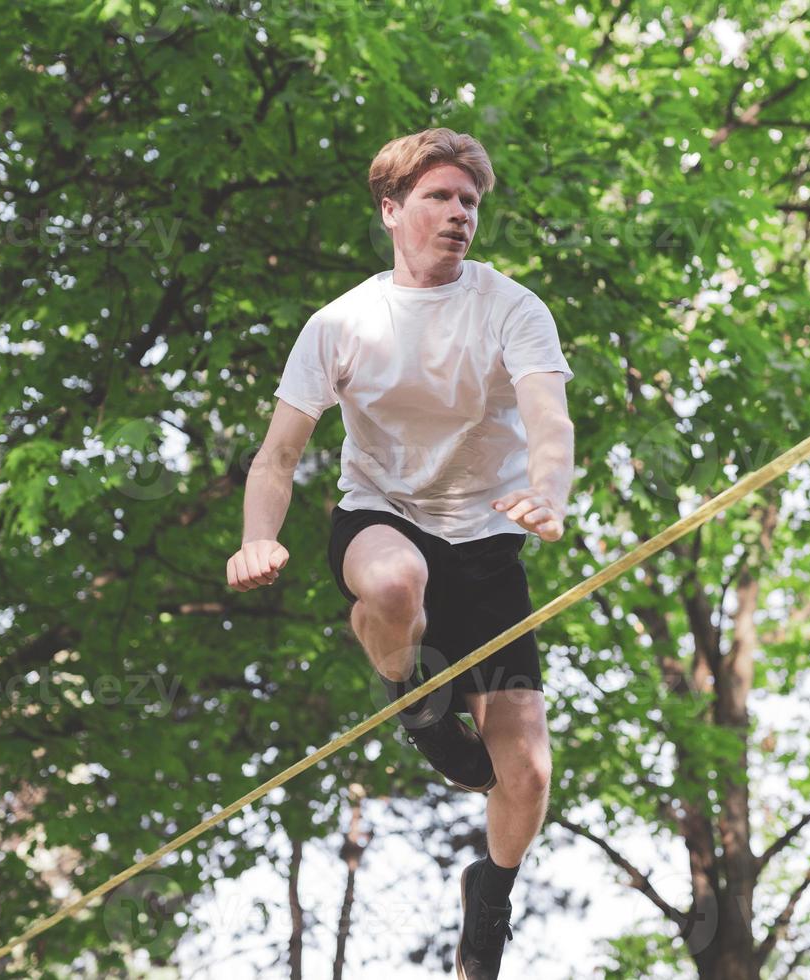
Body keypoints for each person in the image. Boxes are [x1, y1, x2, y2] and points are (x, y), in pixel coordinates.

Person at [226, 127, 575, 979]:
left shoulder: (512, 307)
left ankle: (489, 894)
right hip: (383, 514)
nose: (459, 214)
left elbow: (550, 421)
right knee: (393, 580)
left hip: (489, 541)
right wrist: (256, 538)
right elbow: (278, 456)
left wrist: (550, 493)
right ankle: (413, 699)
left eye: (470, 202)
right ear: (391, 210)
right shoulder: (342, 323)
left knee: (524, 772)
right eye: (440, 198)